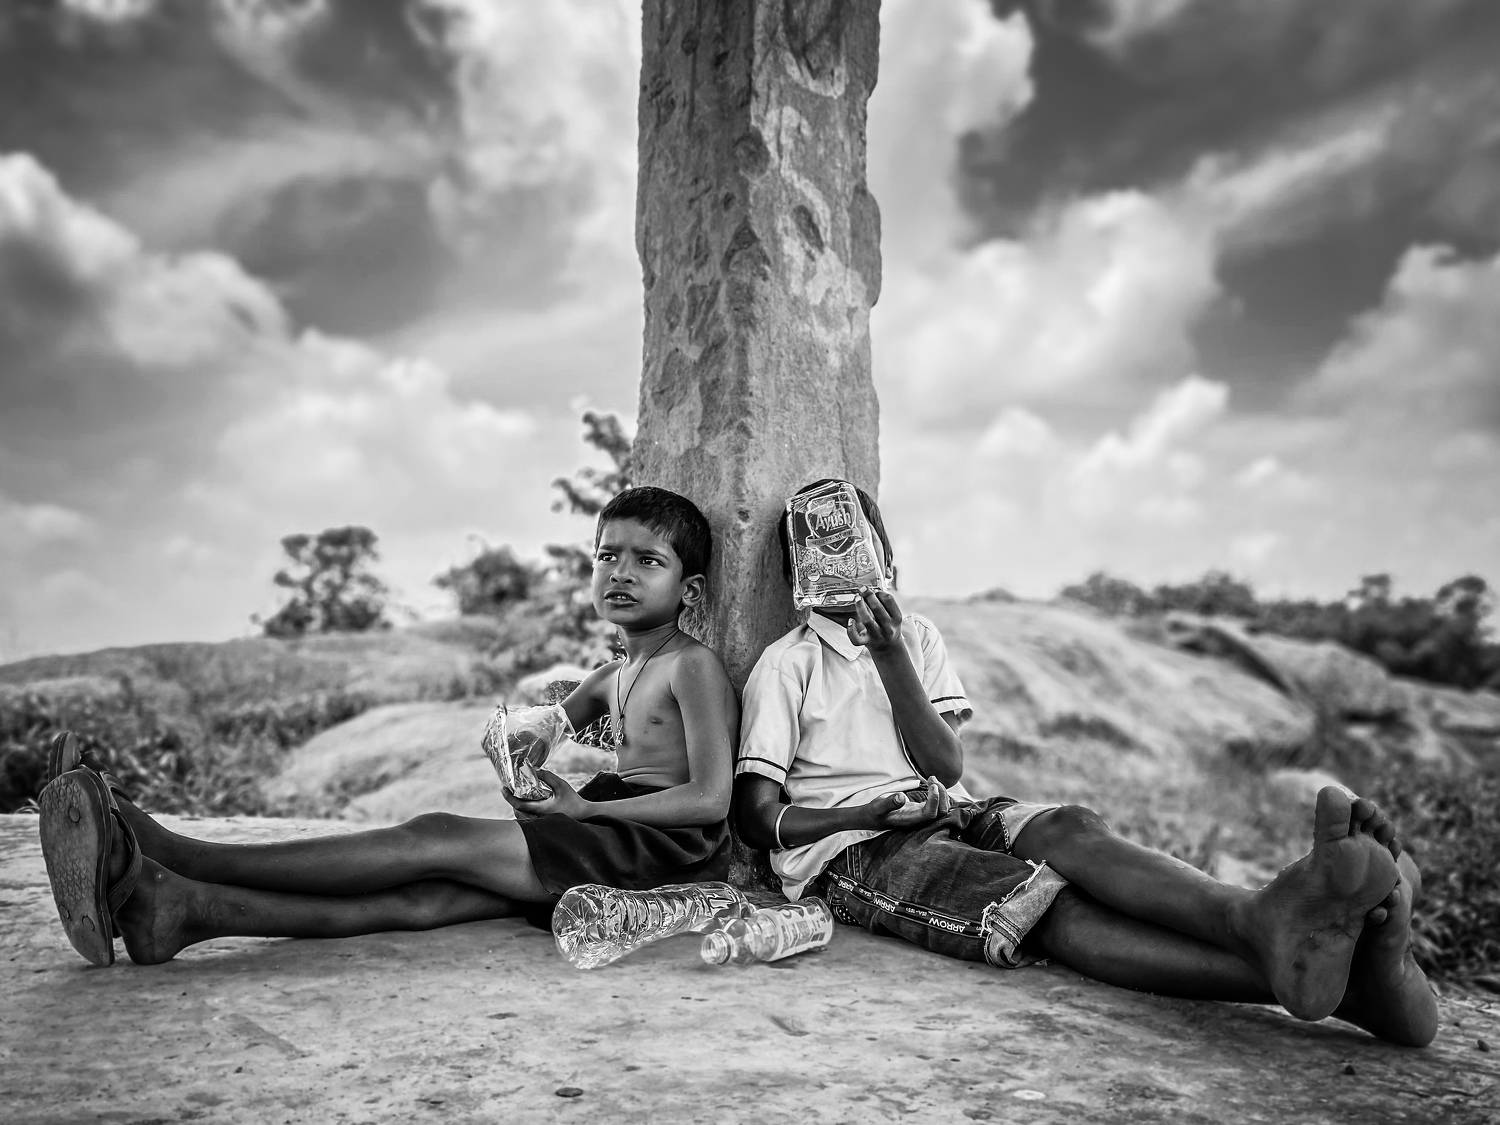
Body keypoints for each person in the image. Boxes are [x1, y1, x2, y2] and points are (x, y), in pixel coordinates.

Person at [734, 478, 1438, 1047]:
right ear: (801, 576)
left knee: (1070, 828)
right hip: (855, 849)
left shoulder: (914, 637)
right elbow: (755, 819)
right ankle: (1342, 983)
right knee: (1038, 901)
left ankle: (1255, 917)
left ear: (888, 561)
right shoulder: (788, 664)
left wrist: (891, 658)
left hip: (951, 808)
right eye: (825, 555)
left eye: (857, 549)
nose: (846, 570)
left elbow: (944, 765)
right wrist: (863, 811)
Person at [39, 485, 739, 967]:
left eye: (648, 561)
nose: (621, 573)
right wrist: (519, 749)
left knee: (434, 835)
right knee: (423, 900)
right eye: (608, 555)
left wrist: (583, 809)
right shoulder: (614, 672)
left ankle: (182, 854)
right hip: (612, 831)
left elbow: (710, 800)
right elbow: (548, 726)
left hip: (661, 849)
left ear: (690, 590)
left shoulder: (692, 666)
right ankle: (180, 912)